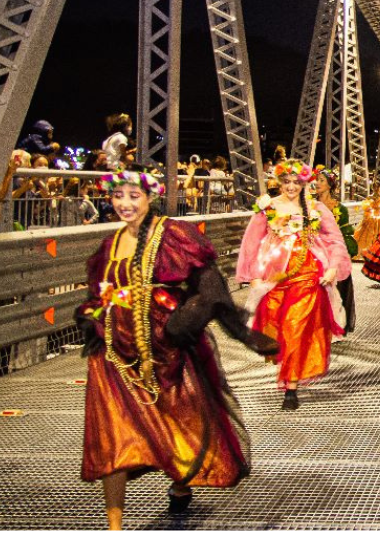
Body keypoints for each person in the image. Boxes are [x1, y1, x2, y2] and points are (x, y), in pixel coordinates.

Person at [75, 169, 278, 530]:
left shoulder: (174, 235)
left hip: (164, 345)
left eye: (133, 196)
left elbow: (210, 288)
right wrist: (92, 317)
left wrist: (185, 325)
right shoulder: (109, 244)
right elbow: (98, 293)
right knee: (111, 431)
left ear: (149, 197)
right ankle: (114, 528)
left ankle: (181, 479)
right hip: (113, 351)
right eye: (117, 196)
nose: (124, 204)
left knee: (182, 417)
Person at [236, 160, 351, 410]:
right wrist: (253, 276)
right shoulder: (267, 207)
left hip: (308, 273)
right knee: (276, 327)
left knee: (294, 325)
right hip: (275, 277)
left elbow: (335, 241)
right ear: (279, 182)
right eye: (286, 181)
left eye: (296, 182)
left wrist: (332, 267)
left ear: (304, 183)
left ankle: (291, 387)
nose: (291, 186)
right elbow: (251, 243)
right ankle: (289, 369)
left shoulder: (316, 208)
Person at [314, 165, 358, 334]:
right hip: (316, 252)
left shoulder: (340, 209)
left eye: (321, 180)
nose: (317, 183)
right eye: (316, 180)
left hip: (332, 253)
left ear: (330, 185)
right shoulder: (309, 205)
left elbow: (345, 234)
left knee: (337, 290)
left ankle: (335, 324)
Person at [352, 180, 380, 260]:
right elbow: (366, 209)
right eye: (375, 187)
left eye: (378, 187)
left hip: (379, 219)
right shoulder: (369, 197)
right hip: (370, 218)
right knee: (366, 235)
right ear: (373, 188)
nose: (376, 188)